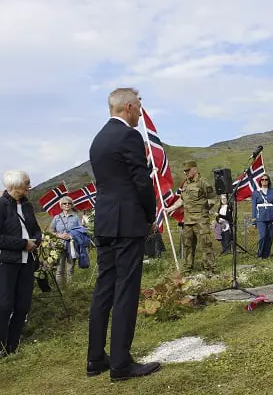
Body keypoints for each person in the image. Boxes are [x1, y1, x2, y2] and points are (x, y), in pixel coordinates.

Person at [87, 87, 160, 381]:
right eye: (139, 106)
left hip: (105, 223)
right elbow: (141, 181)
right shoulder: (129, 136)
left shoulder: (98, 140)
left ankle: (95, 359)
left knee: (104, 290)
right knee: (126, 291)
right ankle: (120, 364)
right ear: (128, 106)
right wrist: (149, 215)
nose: (141, 112)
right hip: (127, 222)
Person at [0, 171, 41, 357]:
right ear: (15, 185)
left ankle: (12, 345)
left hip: (27, 262)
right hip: (7, 262)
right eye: (27, 182)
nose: (29, 186)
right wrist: (24, 244)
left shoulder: (27, 206)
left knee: (23, 305)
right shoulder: (1, 205)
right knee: (4, 305)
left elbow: (36, 230)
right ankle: (1, 346)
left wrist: (36, 241)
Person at [166, 160, 216, 274]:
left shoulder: (203, 182)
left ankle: (209, 269)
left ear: (195, 169)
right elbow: (182, 200)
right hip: (188, 220)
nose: (185, 173)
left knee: (205, 244)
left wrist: (205, 210)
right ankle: (188, 268)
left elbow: (212, 198)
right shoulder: (186, 184)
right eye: (184, 171)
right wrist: (170, 208)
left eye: (188, 170)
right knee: (187, 245)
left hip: (201, 220)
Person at [48, 196, 81, 287]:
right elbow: (51, 231)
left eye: (69, 203)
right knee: (59, 270)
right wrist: (59, 235)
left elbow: (81, 231)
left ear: (71, 205)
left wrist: (71, 235)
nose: (67, 205)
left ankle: (69, 290)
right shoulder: (57, 218)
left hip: (72, 246)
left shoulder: (76, 217)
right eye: (64, 203)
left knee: (70, 270)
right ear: (61, 206)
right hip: (59, 246)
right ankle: (61, 290)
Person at [251, 174, 273, 259]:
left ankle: (267, 254)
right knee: (262, 236)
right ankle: (260, 254)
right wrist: (254, 219)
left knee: (270, 236)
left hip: (270, 216)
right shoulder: (256, 192)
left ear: (268, 181)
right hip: (260, 217)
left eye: (266, 179)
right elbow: (253, 206)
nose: (264, 181)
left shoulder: (272, 191)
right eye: (262, 179)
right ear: (260, 181)